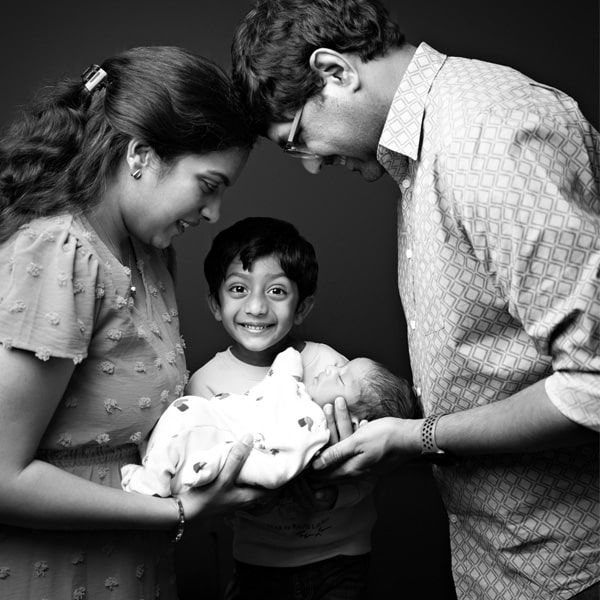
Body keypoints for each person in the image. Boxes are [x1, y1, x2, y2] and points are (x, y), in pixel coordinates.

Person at [230, 2, 600, 599]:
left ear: (335, 72)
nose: (314, 166)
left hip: (574, 564)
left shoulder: (493, 135)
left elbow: (594, 386)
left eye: (297, 140)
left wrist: (417, 437)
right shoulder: (426, 151)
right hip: (502, 554)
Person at [0, 45, 267, 600]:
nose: (215, 213)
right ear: (141, 156)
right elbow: (1, 477)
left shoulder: (148, 252)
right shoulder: (59, 251)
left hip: (134, 568)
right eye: (209, 185)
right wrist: (174, 512)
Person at [187, 215, 416, 600]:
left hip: (341, 554)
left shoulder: (331, 367)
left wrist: (333, 494)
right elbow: (203, 479)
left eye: (276, 291)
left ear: (303, 307)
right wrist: (251, 502)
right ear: (215, 303)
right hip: (259, 561)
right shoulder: (205, 384)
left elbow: (372, 464)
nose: (256, 307)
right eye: (239, 289)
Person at [121, 346, 413, 496]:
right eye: (343, 364)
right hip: (211, 420)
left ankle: (151, 483)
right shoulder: (302, 396)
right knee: (181, 419)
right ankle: (153, 470)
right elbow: (282, 383)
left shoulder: (313, 427)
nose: (333, 366)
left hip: (228, 450)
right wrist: (289, 361)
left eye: (341, 376)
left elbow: (278, 466)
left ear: (353, 419)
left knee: (186, 436)